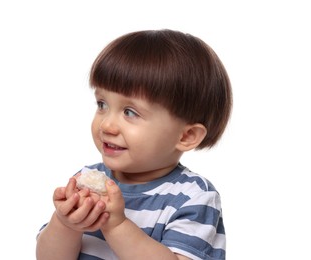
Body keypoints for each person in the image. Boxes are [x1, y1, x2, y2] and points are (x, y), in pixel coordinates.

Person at [36, 29, 232, 260]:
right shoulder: (87, 179)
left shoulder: (194, 197)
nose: (107, 125)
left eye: (130, 112)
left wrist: (117, 226)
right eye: (102, 105)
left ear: (186, 136)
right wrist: (65, 223)